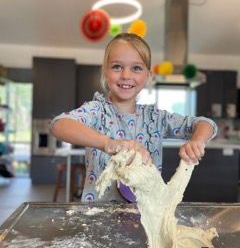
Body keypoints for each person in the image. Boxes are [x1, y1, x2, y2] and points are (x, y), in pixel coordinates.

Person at [50, 33, 217, 203]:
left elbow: (205, 124)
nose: (126, 75)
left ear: (148, 75)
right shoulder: (97, 112)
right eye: (117, 67)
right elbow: (59, 125)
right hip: (98, 216)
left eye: (136, 68)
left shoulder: (156, 118)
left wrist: (197, 140)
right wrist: (109, 143)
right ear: (105, 72)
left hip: (146, 217)